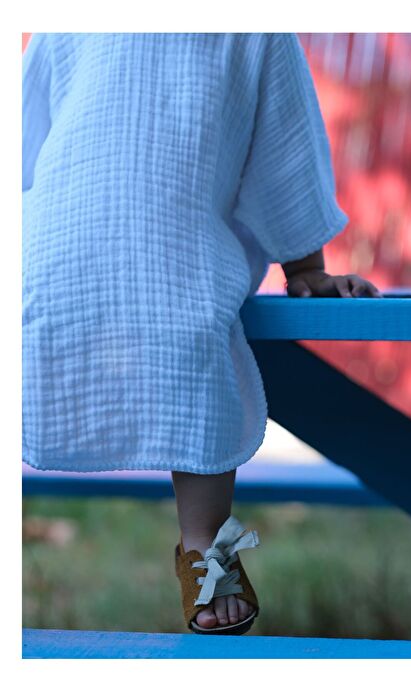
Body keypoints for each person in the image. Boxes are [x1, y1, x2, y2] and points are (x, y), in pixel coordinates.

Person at [22, 32, 381, 635]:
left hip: (44, 248)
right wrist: (305, 268)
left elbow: (23, 136)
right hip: (125, 246)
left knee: (175, 322)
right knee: (198, 336)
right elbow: (285, 153)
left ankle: (204, 544)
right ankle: (205, 544)